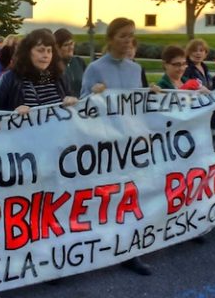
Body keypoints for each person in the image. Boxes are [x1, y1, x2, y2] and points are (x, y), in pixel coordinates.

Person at [79, 18, 152, 276]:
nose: (127, 40)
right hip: (106, 143)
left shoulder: (135, 69)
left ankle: (130, 252)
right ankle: (101, 246)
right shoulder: (95, 69)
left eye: (131, 35)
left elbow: (138, 105)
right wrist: (93, 94)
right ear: (110, 38)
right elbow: (81, 106)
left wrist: (144, 131)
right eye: (122, 35)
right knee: (107, 196)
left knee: (131, 196)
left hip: (131, 144)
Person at [0, 29, 77, 112]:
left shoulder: (60, 77)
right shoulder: (10, 78)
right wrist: (13, 114)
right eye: (40, 50)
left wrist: (73, 102)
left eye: (49, 51)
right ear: (27, 52)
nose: (46, 55)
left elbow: (74, 112)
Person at [53, 28, 86, 97]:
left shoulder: (79, 62)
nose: (70, 47)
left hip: (82, 104)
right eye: (66, 45)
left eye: (71, 43)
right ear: (57, 47)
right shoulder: (52, 66)